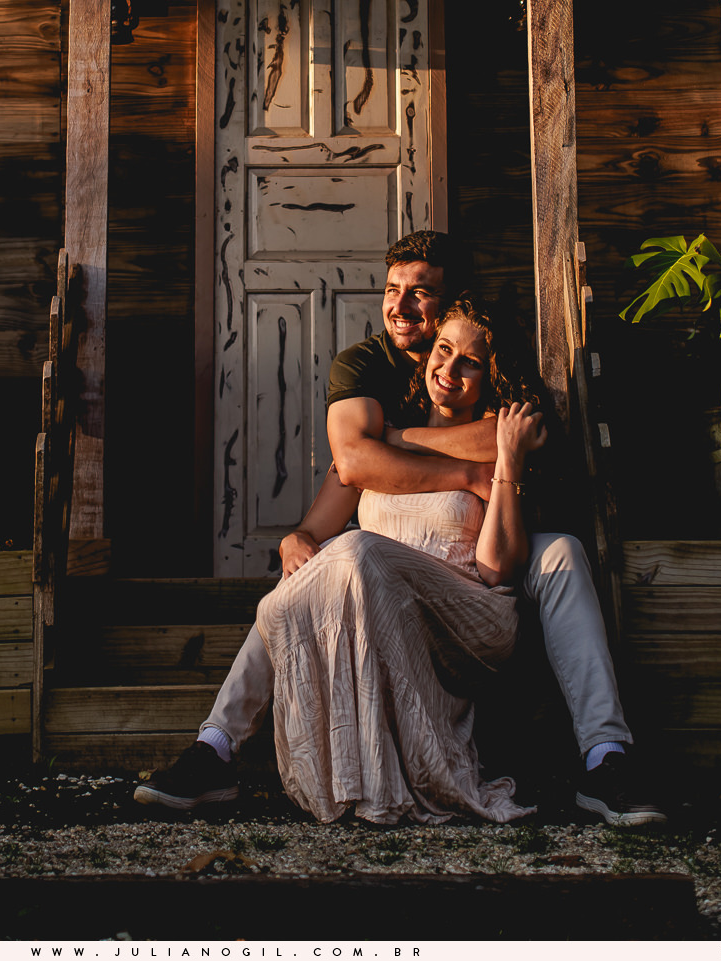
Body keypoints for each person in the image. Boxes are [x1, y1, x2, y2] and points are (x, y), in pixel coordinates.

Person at [133, 230, 665, 826]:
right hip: (390, 573)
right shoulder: (369, 370)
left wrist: (397, 445)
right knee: (311, 573)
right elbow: (351, 467)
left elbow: (504, 437)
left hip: (471, 578)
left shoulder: (492, 379)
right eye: (394, 291)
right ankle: (216, 749)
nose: (404, 310)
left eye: (422, 295)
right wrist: (302, 535)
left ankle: (606, 756)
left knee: (560, 550)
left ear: (453, 307)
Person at [255, 299, 544, 824]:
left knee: (359, 549)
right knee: (284, 599)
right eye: (443, 350)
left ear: (491, 374)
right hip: (379, 600)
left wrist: (507, 465)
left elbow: (499, 568)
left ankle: (411, 777)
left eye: (470, 362)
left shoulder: (495, 443)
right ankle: (348, 777)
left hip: (469, 613)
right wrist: (293, 541)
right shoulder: (386, 441)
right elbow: (314, 524)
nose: (449, 369)